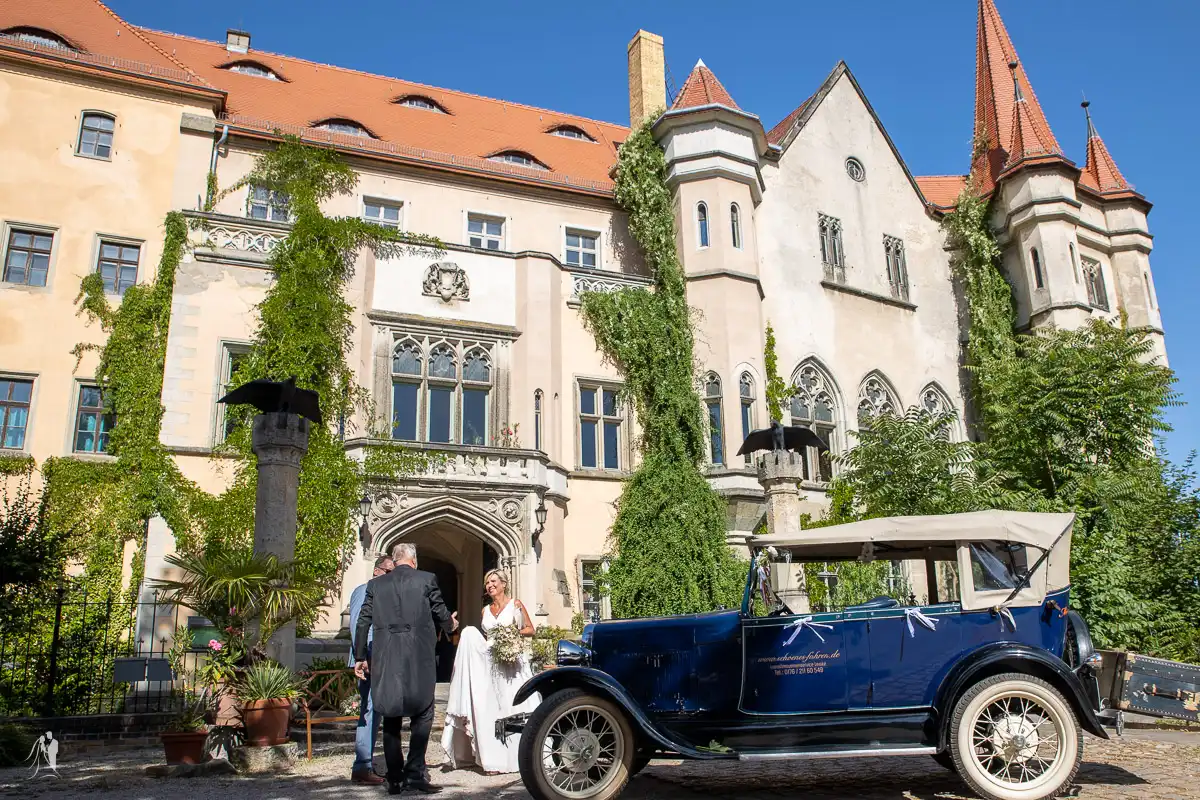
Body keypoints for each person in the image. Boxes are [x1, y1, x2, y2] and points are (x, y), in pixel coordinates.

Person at [355, 543, 457, 795]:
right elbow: (441, 613)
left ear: (394, 559)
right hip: (418, 657)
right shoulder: (426, 579)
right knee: (423, 713)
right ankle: (414, 773)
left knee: (390, 716)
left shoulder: (376, 585)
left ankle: (395, 778)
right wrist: (451, 624)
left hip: (385, 658)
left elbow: (362, 621)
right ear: (413, 560)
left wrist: (359, 657)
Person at [440, 569, 541, 775]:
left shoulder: (516, 604)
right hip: (492, 664)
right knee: (493, 709)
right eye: (487, 582)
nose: (490, 585)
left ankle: (522, 756)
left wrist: (511, 634)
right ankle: (493, 758)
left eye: (493, 581)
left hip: (513, 664)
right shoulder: (485, 610)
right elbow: (486, 640)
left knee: (513, 708)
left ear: (504, 584)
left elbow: (531, 629)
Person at [346, 554, 393, 785]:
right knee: (368, 712)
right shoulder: (364, 590)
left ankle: (365, 764)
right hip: (368, 662)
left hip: (380, 661)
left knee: (375, 712)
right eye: (388, 572)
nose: (391, 578)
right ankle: (362, 767)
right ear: (376, 571)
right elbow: (358, 626)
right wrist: (362, 657)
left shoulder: (383, 593)